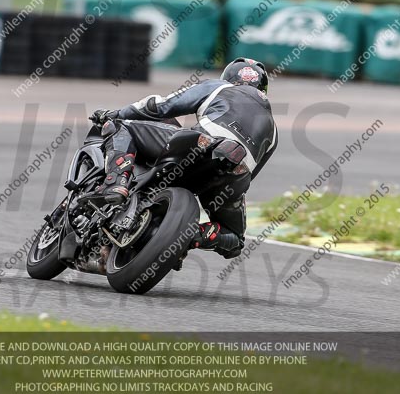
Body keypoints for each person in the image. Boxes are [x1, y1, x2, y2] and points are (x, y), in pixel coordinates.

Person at [86, 58, 277, 259]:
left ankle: (117, 182)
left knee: (120, 126)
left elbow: (160, 106)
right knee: (235, 239)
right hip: (236, 172)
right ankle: (192, 236)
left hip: (203, 143)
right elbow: (251, 175)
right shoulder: (274, 132)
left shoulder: (218, 87)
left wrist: (116, 114)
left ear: (228, 77)